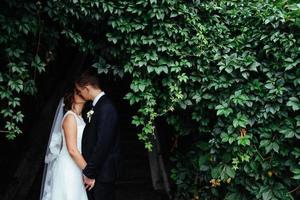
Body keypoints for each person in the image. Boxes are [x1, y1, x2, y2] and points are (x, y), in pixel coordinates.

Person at [40, 89, 93, 200]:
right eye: (77, 93)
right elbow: (72, 150)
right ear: (71, 97)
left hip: (77, 166)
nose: (80, 94)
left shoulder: (80, 118)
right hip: (68, 167)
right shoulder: (70, 117)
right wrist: (89, 172)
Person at [75, 71, 120, 200]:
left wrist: (89, 173)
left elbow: (103, 144)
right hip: (99, 172)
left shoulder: (106, 107)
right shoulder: (97, 106)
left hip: (103, 173)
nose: (80, 94)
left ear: (86, 88)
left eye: (80, 91)